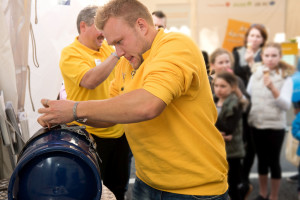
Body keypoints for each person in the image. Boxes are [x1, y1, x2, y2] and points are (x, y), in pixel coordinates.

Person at [37, 0, 229, 199]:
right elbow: (111, 116)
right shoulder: (126, 63)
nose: (117, 52)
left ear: (141, 26)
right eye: (113, 45)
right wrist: (65, 115)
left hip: (194, 189)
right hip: (146, 182)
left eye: (120, 41)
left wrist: (76, 109)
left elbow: (149, 104)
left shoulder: (176, 46)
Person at [59, 6, 129, 200]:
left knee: (119, 189)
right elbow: (89, 81)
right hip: (89, 135)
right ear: (83, 26)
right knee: (93, 190)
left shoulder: (107, 47)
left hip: (119, 131)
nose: (105, 34)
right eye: (101, 27)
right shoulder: (70, 53)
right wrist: (116, 54)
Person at [247, 42, 294, 200]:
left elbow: (286, 105)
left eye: (274, 55)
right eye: (267, 55)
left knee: (273, 162)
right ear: (262, 56)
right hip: (256, 124)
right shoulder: (256, 73)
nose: (270, 59)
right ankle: (262, 193)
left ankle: (273, 196)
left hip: (275, 126)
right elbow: (248, 97)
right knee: (261, 161)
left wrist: (273, 88)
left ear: (280, 57)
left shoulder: (285, 77)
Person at [214, 72, 245, 200]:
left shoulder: (235, 104)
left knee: (231, 186)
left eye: (223, 86)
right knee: (218, 185)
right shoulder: (214, 100)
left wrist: (212, 112)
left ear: (232, 87)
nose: (218, 89)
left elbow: (228, 129)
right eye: (216, 85)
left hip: (232, 152)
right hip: (217, 150)